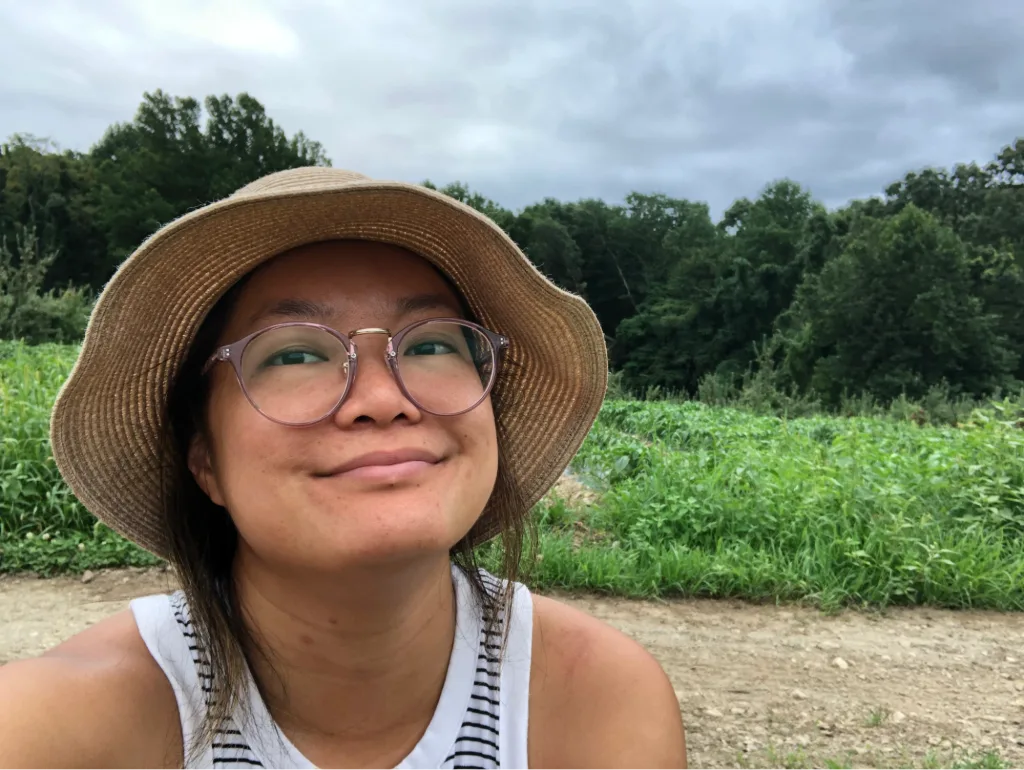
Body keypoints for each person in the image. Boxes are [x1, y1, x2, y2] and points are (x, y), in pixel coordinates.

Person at [0, 168, 687, 769]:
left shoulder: (597, 703)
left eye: (433, 344)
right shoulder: (52, 729)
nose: (383, 399)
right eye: (294, 354)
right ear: (203, 457)